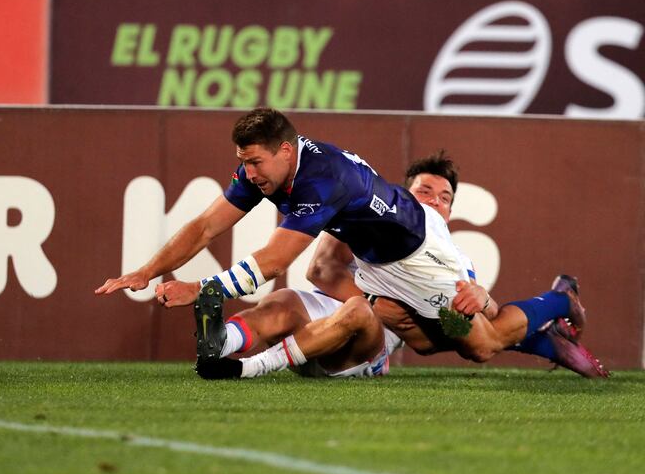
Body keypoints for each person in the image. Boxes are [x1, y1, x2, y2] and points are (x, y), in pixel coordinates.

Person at [95, 108, 605, 379]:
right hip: (376, 263)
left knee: (482, 345)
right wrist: (146, 269)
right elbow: (206, 225)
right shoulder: (271, 170)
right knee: (426, 340)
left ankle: (560, 299)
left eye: (255, 163)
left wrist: (205, 288)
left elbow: (276, 259)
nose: (248, 174)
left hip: (416, 257)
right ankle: (546, 334)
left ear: (287, 151)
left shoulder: (322, 179)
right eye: (243, 162)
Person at [192, 151, 608, 379]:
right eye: (423, 191)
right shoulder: (365, 216)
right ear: (402, 197)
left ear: (449, 212)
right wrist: (378, 296)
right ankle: (219, 345)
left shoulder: (451, 256)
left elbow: (476, 323)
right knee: (282, 299)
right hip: (343, 307)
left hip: (367, 332)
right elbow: (320, 271)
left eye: (444, 198)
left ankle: (556, 303)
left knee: (471, 339)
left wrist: (480, 297)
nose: (433, 200)